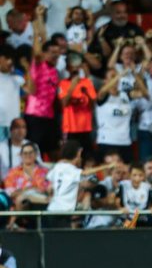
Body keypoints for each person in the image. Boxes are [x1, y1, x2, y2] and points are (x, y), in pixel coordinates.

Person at [46, 140, 115, 227]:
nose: (81, 158)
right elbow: (85, 173)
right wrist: (106, 166)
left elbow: (49, 186)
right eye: (80, 155)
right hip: (62, 212)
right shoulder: (71, 169)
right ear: (78, 154)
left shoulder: (57, 167)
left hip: (51, 210)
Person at [25, 8, 60, 158]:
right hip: (35, 116)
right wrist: (37, 24)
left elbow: (47, 42)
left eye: (57, 53)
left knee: (53, 151)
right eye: (52, 53)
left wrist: (40, 19)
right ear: (45, 54)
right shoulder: (39, 64)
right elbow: (39, 48)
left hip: (49, 116)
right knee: (35, 152)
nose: (55, 55)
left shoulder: (54, 69)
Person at [96, 68, 148, 163]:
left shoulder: (126, 95)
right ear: (105, 81)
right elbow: (102, 91)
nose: (116, 79)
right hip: (107, 142)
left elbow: (145, 94)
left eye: (116, 77)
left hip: (125, 142)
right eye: (112, 77)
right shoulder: (103, 96)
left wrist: (135, 74)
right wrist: (119, 75)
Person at [58, 52, 97, 155]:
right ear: (67, 68)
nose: (74, 70)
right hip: (70, 128)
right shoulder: (63, 83)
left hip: (86, 128)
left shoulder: (87, 82)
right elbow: (64, 104)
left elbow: (92, 106)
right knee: (71, 156)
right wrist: (72, 87)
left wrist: (87, 94)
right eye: (72, 67)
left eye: (76, 67)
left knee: (88, 157)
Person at [3, 142, 50, 216]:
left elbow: (45, 190)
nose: (28, 155)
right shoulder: (13, 172)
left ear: (35, 155)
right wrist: (28, 190)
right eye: (25, 153)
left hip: (40, 203)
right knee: (20, 200)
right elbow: (11, 193)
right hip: (18, 204)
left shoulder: (44, 171)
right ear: (21, 155)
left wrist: (25, 191)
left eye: (31, 153)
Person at [0, 45, 29, 142]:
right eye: (7, 58)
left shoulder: (17, 75)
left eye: (11, 58)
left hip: (14, 122)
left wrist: (28, 70)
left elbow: (30, 91)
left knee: (14, 150)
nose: (10, 61)